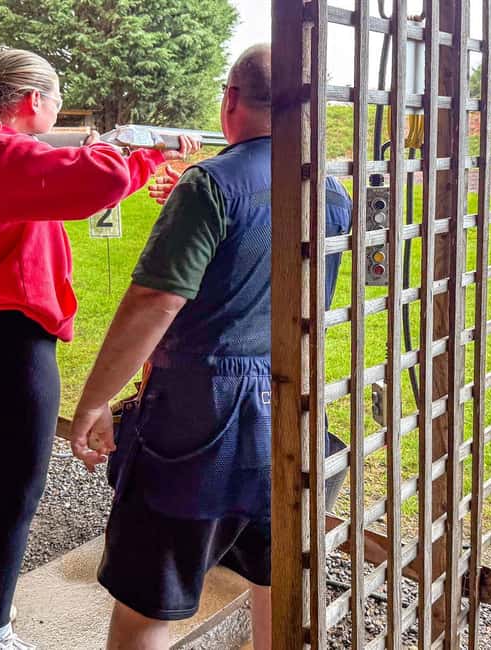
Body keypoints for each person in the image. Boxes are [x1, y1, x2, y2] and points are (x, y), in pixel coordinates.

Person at [70, 44, 351, 650]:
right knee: (279, 584)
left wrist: (94, 402)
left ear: (230, 99)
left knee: (150, 599)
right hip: (295, 408)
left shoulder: (210, 184)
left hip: (198, 418)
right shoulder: (331, 191)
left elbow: (155, 302)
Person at [0, 48, 198, 650]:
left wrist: (142, 153)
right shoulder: (0, 152)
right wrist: (134, 150)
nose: (58, 109)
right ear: (32, 101)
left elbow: (76, 187)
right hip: (11, 344)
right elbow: (94, 182)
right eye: (56, 99)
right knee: (19, 495)